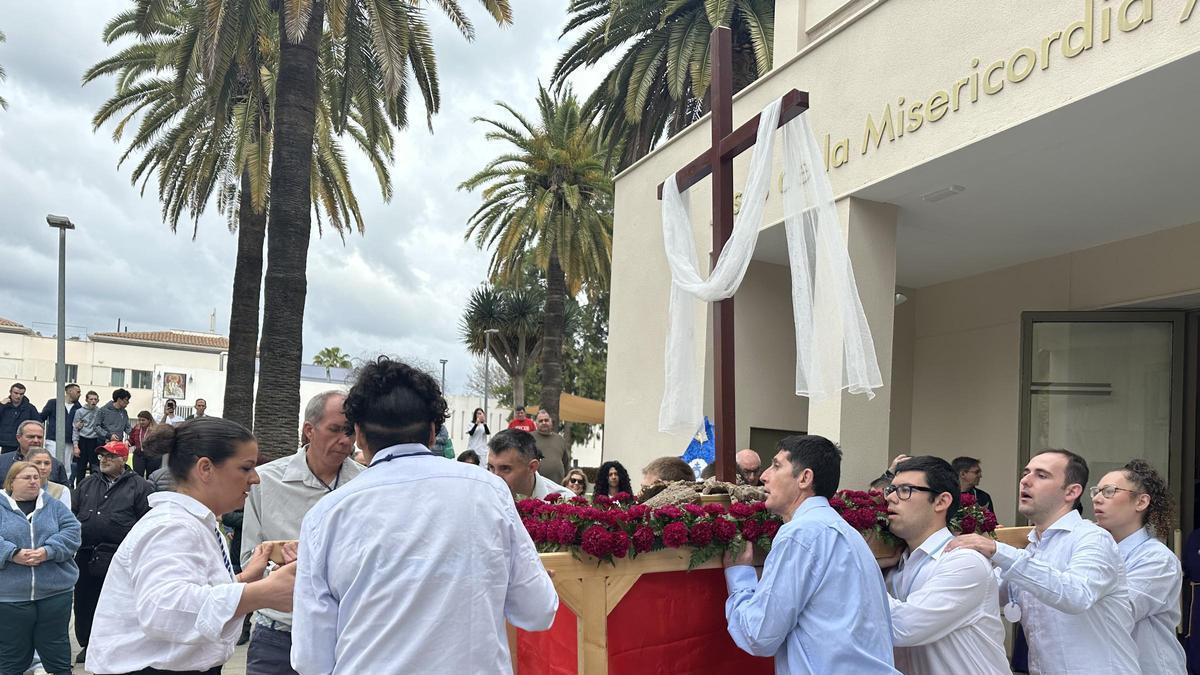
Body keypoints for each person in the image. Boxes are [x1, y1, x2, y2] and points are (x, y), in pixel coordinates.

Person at [291, 357, 558, 673]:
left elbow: (311, 659)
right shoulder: (489, 491)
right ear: (433, 432)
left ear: (359, 435)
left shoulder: (325, 516)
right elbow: (537, 610)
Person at [85, 417, 296, 675]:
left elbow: (187, 589)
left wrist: (245, 581)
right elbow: (164, 608)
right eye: (246, 468)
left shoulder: (192, 523)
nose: (255, 478)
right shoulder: (173, 526)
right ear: (205, 468)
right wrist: (260, 594)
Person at [948, 449, 1139, 674]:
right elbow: (988, 593)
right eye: (1026, 472)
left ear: (1071, 492)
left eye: (1041, 475)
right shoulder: (1031, 547)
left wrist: (998, 550)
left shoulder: (1093, 538)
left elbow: (1076, 595)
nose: (1025, 481)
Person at [723, 435, 898, 673]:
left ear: (805, 478)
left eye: (776, 466)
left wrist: (739, 576)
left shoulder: (801, 533)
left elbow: (759, 636)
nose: (764, 476)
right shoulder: (845, 531)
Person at [241, 391, 365, 675]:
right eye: (335, 430)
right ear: (309, 430)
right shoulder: (266, 481)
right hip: (277, 636)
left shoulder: (366, 485)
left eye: (350, 431)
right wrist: (291, 567)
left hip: (344, 639)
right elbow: (250, 560)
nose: (345, 441)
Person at [882, 456, 1008, 675]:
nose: (891, 498)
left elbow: (902, 627)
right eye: (891, 489)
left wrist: (864, 567)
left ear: (941, 501)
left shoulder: (964, 562)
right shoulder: (896, 563)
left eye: (905, 490)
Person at [1091, 459, 1186, 674]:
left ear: (1141, 502)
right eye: (1096, 492)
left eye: (1109, 491)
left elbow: (1118, 612)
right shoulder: (1095, 549)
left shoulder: (1157, 559)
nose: (1097, 498)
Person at [72, 440, 154, 665]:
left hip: (119, 557)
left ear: (123, 460)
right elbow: (73, 512)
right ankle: (88, 644)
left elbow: (147, 523)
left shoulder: (141, 487)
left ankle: (115, 645)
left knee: (117, 604)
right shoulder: (87, 483)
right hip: (86, 554)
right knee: (84, 602)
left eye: (110, 456)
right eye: (102, 456)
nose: (104, 460)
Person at [0, 461, 81, 675]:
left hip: (54, 594)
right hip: (10, 598)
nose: (34, 481)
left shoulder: (53, 505)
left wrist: (48, 551)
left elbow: (73, 531)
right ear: (11, 482)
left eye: (36, 477)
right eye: (27, 477)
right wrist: (12, 553)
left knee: (57, 651)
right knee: (12, 655)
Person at [487, 429, 575, 500]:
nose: (495, 477)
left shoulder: (565, 503)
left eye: (505, 468)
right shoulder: (480, 497)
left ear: (532, 467)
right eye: (491, 467)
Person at [0, 421, 69, 486]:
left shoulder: (56, 465)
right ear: (18, 437)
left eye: (39, 437)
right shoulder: (2, 461)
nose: (36, 440)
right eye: (31, 437)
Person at [39, 383, 82, 455]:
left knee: (66, 465)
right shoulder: (53, 403)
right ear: (70, 391)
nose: (80, 394)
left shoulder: (79, 408)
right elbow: (41, 418)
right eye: (78, 392)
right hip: (53, 440)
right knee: (52, 462)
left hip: (69, 441)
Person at [532, 410, 571, 485]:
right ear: (536, 423)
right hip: (536, 484)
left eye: (546, 420)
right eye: (541, 421)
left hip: (558, 484)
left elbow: (565, 462)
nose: (544, 423)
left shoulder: (560, 439)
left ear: (551, 421)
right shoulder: (529, 438)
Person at [73, 390, 103, 487]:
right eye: (91, 399)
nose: (93, 401)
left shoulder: (100, 412)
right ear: (86, 400)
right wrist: (75, 446)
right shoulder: (79, 412)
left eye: (95, 399)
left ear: (98, 400)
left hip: (95, 441)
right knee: (81, 468)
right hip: (83, 439)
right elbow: (75, 429)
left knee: (95, 467)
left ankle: (94, 488)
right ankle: (79, 488)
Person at [0, 383, 41, 454]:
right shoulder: (4, 406)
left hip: (24, 443)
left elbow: (38, 423)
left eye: (21, 394)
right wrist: (1, 405)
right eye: (16, 393)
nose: (18, 396)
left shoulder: (30, 408)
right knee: (6, 463)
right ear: (10, 392)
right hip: (6, 443)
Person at [130, 410, 160, 478]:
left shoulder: (155, 429)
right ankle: (139, 488)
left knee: (151, 475)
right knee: (137, 475)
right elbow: (132, 440)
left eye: (143, 420)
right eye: (139, 420)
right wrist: (127, 442)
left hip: (152, 454)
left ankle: (150, 488)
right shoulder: (136, 428)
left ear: (149, 420)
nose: (141, 422)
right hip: (139, 454)